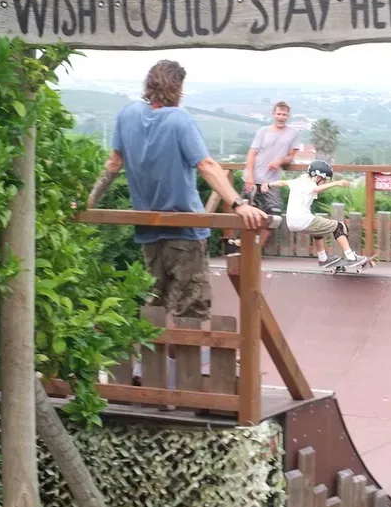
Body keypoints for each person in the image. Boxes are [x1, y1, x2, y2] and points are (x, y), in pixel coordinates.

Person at [86, 59, 267, 319]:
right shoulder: (179, 120)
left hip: (148, 231)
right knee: (191, 308)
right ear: (177, 88)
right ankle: (185, 347)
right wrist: (239, 204)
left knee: (154, 305)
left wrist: (88, 200)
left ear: (149, 84)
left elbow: (114, 163)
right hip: (185, 231)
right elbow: (206, 165)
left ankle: (156, 348)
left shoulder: (127, 115)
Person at [285, 161, 369, 268]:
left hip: (292, 222)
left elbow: (281, 182)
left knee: (318, 229)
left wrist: (268, 185)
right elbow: (316, 189)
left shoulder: (297, 181)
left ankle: (323, 258)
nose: (324, 182)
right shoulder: (310, 184)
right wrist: (336, 183)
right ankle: (351, 257)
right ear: (318, 176)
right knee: (339, 226)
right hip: (302, 220)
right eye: (325, 179)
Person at [243, 101, 300, 216]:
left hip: (272, 182)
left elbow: (291, 156)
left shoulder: (293, 133)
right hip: (253, 178)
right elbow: (252, 153)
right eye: (279, 114)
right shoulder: (263, 131)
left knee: (275, 214)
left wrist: (280, 161)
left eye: (284, 115)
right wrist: (250, 177)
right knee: (248, 213)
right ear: (273, 114)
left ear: (288, 116)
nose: (281, 117)